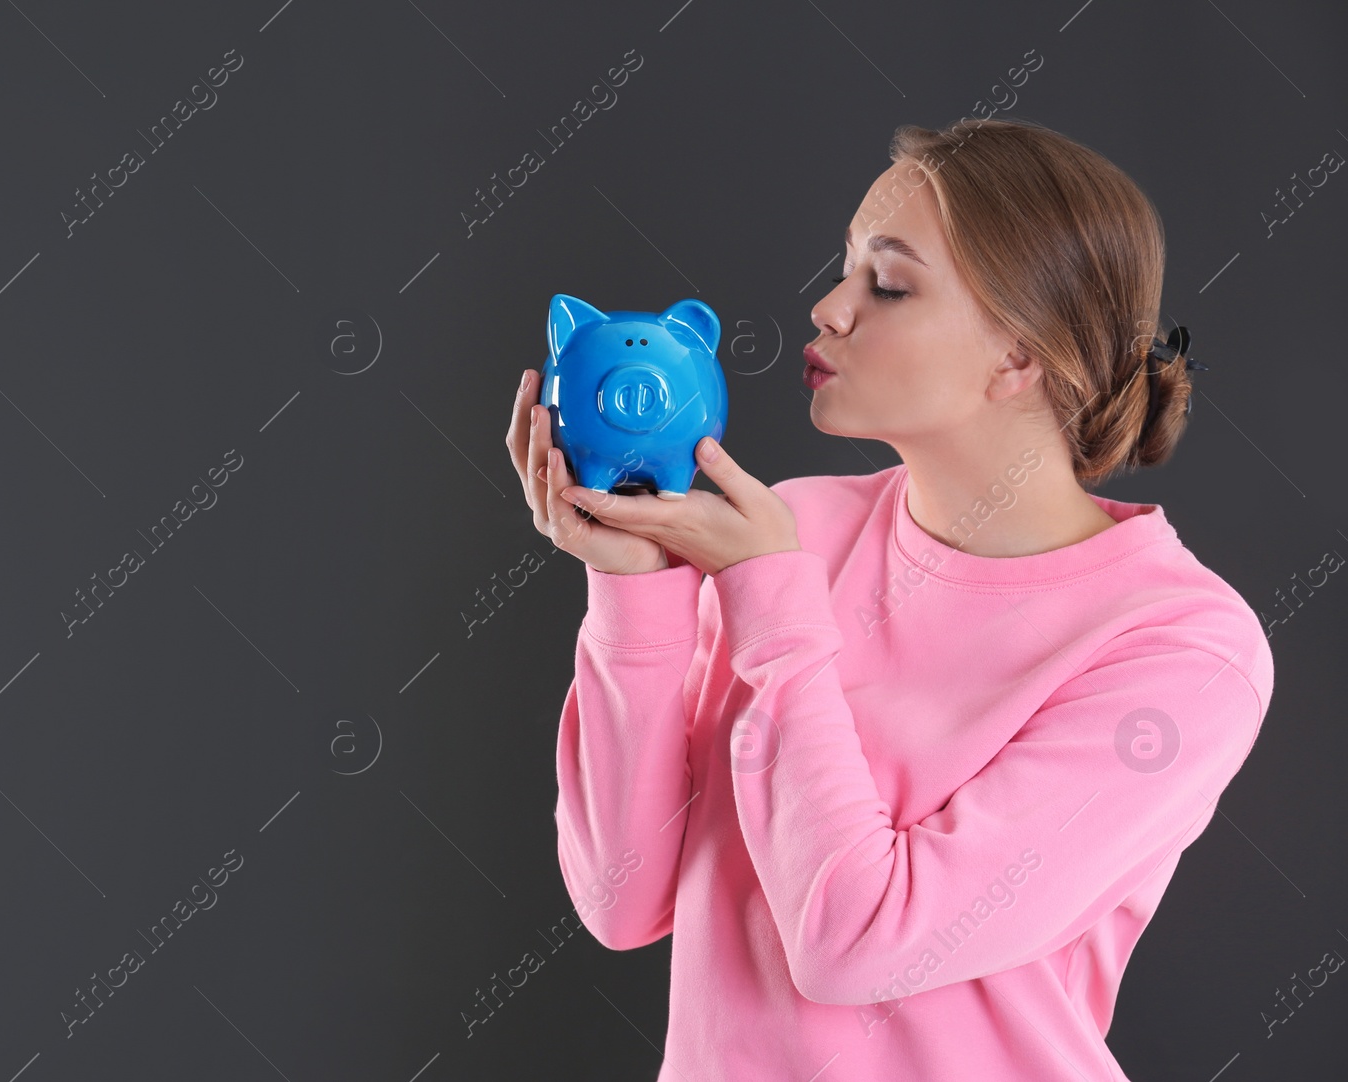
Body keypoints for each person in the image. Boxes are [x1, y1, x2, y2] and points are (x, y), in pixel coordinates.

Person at [503, 117, 1273, 1080]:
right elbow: (623, 899)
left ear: (1018, 357)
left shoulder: (1183, 649)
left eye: (889, 283)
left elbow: (858, 943)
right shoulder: (797, 532)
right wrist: (633, 589)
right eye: (845, 269)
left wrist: (769, 609)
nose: (827, 308)